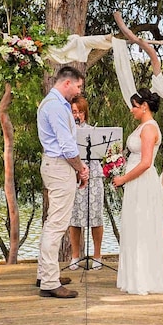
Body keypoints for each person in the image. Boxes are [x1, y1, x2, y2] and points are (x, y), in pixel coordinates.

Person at [36, 65, 88, 298]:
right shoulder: (56, 106)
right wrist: (81, 168)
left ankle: (46, 273)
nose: (78, 91)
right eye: (78, 86)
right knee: (56, 224)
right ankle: (49, 282)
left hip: (55, 165)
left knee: (52, 222)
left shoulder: (53, 103)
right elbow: (67, 145)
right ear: (67, 83)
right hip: (59, 166)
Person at [113, 89, 163, 295]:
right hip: (135, 183)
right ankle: (133, 276)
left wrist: (123, 178)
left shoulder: (149, 129)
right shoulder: (143, 127)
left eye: (134, 106)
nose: (131, 110)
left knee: (141, 227)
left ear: (144, 106)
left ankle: (143, 278)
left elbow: (145, 162)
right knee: (133, 226)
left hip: (141, 182)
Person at [68, 94, 105, 271]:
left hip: (94, 177)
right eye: (74, 112)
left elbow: (103, 153)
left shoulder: (94, 132)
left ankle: (97, 255)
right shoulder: (66, 132)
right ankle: (75, 256)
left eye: (80, 112)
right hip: (74, 178)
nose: (77, 115)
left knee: (95, 217)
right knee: (74, 218)